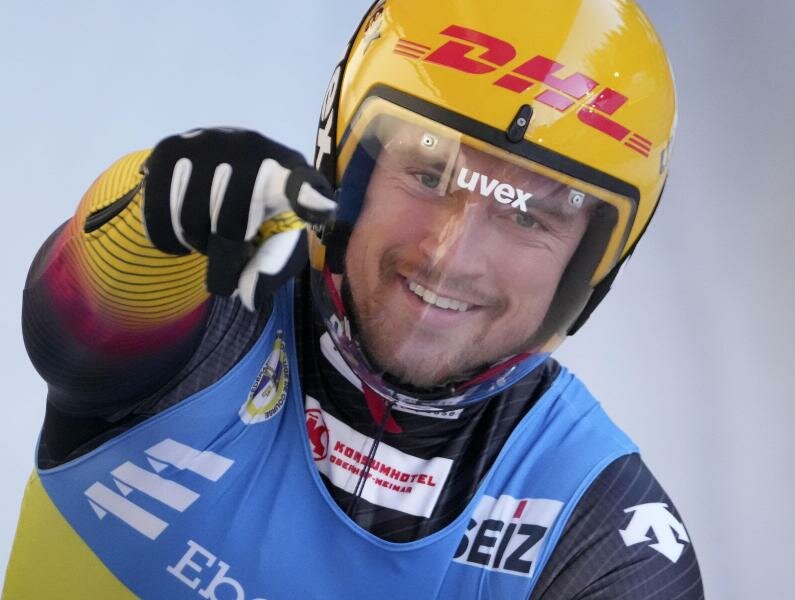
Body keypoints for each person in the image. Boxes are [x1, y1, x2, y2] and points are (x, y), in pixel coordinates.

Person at [4, 0, 704, 598]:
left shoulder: (602, 535)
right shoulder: (213, 302)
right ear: (345, 163)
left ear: (595, 265)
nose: (448, 257)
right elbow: (72, 328)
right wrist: (149, 205)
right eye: (429, 172)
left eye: (527, 216)